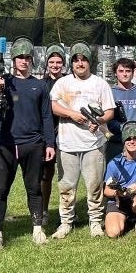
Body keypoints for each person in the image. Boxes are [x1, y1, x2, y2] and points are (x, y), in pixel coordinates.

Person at [0, 36, 56, 249]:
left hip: (33, 144)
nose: (23, 61)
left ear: (32, 60)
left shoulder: (39, 85)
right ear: (13, 60)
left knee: (34, 188)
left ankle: (37, 228)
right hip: (5, 145)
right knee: (0, 190)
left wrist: (49, 143)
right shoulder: (1, 81)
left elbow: (46, 116)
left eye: (27, 57)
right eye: (19, 57)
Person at [49, 41, 115, 239]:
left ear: (89, 62)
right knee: (66, 186)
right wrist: (71, 114)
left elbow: (110, 111)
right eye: (76, 60)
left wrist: (99, 121)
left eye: (84, 60)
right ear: (72, 63)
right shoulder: (62, 83)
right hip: (67, 143)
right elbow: (53, 106)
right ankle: (66, 222)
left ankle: (95, 221)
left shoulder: (100, 84)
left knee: (94, 185)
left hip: (94, 144)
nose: (80, 63)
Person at [40, 43, 67, 230]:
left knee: (65, 176)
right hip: (47, 134)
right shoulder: (41, 84)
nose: (55, 65)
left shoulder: (69, 82)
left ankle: (65, 211)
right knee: (45, 175)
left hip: (66, 133)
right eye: (52, 62)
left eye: (58, 62)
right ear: (47, 63)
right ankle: (43, 211)